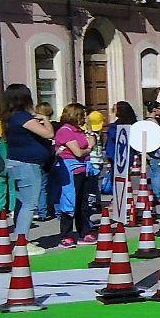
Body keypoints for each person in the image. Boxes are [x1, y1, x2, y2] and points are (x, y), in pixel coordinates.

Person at [0, 84, 55, 249]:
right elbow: (49, 134)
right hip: (27, 164)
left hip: (16, 163)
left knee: (21, 202)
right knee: (30, 203)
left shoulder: (10, 117)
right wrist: (45, 120)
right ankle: (22, 241)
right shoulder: (22, 117)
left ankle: (19, 237)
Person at [53, 104, 96, 247]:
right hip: (70, 170)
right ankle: (66, 234)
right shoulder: (65, 131)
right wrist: (89, 148)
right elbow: (78, 152)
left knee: (83, 203)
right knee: (69, 201)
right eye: (82, 115)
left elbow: (91, 141)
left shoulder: (79, 131)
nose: (84, 118)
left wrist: (90, 133)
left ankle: (84, 231)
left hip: (84, 170)